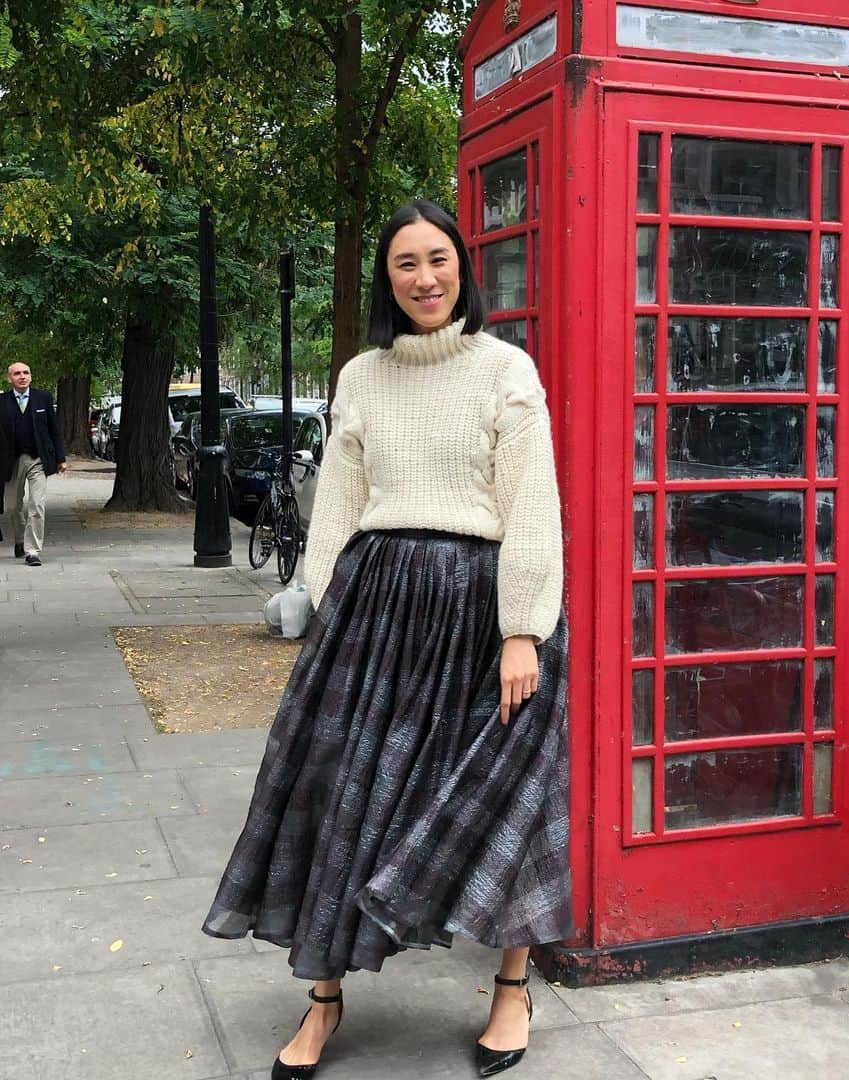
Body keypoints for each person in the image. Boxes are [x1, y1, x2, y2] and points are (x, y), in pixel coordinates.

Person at [203, 198, 570, 1080]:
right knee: (334, 795)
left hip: (482, 608)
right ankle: (323, 999)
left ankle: (513, 989)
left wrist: (522, 630)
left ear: (462, 266)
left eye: (437, 259)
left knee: (501, 796)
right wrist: (324, 609)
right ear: (387, 279)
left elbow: (532, 508)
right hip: (374, 608)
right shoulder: (362, 375)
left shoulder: (506, 371)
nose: (425, 278)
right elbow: (338, 501)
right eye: (405, 264)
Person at [0, 361, 67, 566]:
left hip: (38, 459)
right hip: (11, 461)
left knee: (37, 505)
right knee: (12, 507)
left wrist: (60, 458)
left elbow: (53, 429)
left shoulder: (43, 398)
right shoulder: (2, 401)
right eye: (17, 373)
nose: (22, 376)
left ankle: (32, 551)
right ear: (9, 378)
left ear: (31, 376)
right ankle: (20, 540)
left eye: (26, 372)